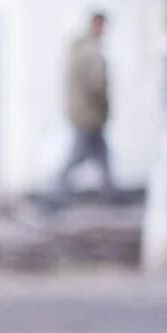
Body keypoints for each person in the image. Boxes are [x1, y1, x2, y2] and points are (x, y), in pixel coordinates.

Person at [55, 12, 115, 202]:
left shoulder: (78, 48)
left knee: (102, 158)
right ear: (97, 26)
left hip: (84, 115)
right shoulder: (90, 52)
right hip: (90, 117)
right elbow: (96, 84)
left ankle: (110, 195)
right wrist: (103, 106)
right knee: (75, 159)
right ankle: (54, 197)